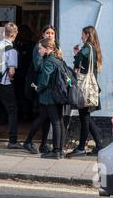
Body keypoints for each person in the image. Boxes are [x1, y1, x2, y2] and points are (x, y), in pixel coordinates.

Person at [24, 25, 63, 154]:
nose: (50, 35)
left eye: (52, 33)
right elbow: (38, 67)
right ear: (43, 35)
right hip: (41, 85)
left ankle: (43, 144)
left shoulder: (56, 48)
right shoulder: (39, 47)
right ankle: (29, 141)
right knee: (42, 116)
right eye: (47, 32)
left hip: (49, 89)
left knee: (45, 117)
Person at [67, 26, 104, 157]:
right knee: (86, 116)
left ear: (87, 35)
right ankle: (99, 146)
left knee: (85, 117)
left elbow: (78, 61)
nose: (81, 37)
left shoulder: (87, 48)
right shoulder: (93, 49)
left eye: (82, 34)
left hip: (85, 89)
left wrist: (77, 54)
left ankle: (81, 148)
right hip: (90, 89)